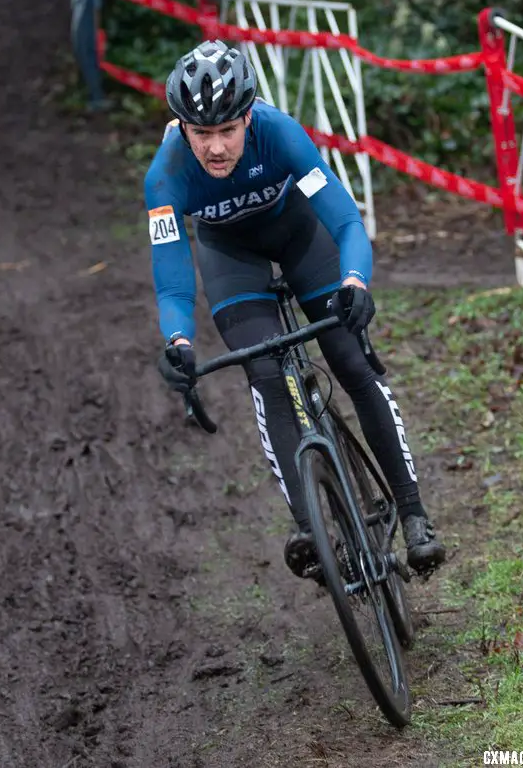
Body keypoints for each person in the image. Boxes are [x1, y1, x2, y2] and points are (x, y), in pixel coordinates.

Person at [146, 39, 446, 578]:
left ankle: (414, 513)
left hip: (299, 239)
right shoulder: (165, 177)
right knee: (265, 374)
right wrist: (178, 343)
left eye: (227, 131)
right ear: (180, 128)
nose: (215, 148)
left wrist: (354, 281)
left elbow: (345, 222)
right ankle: (310, 526)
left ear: (248, 117)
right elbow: (172, 286)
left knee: (352, 363)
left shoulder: (279, 132)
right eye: (201, 134)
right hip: (230, 257)